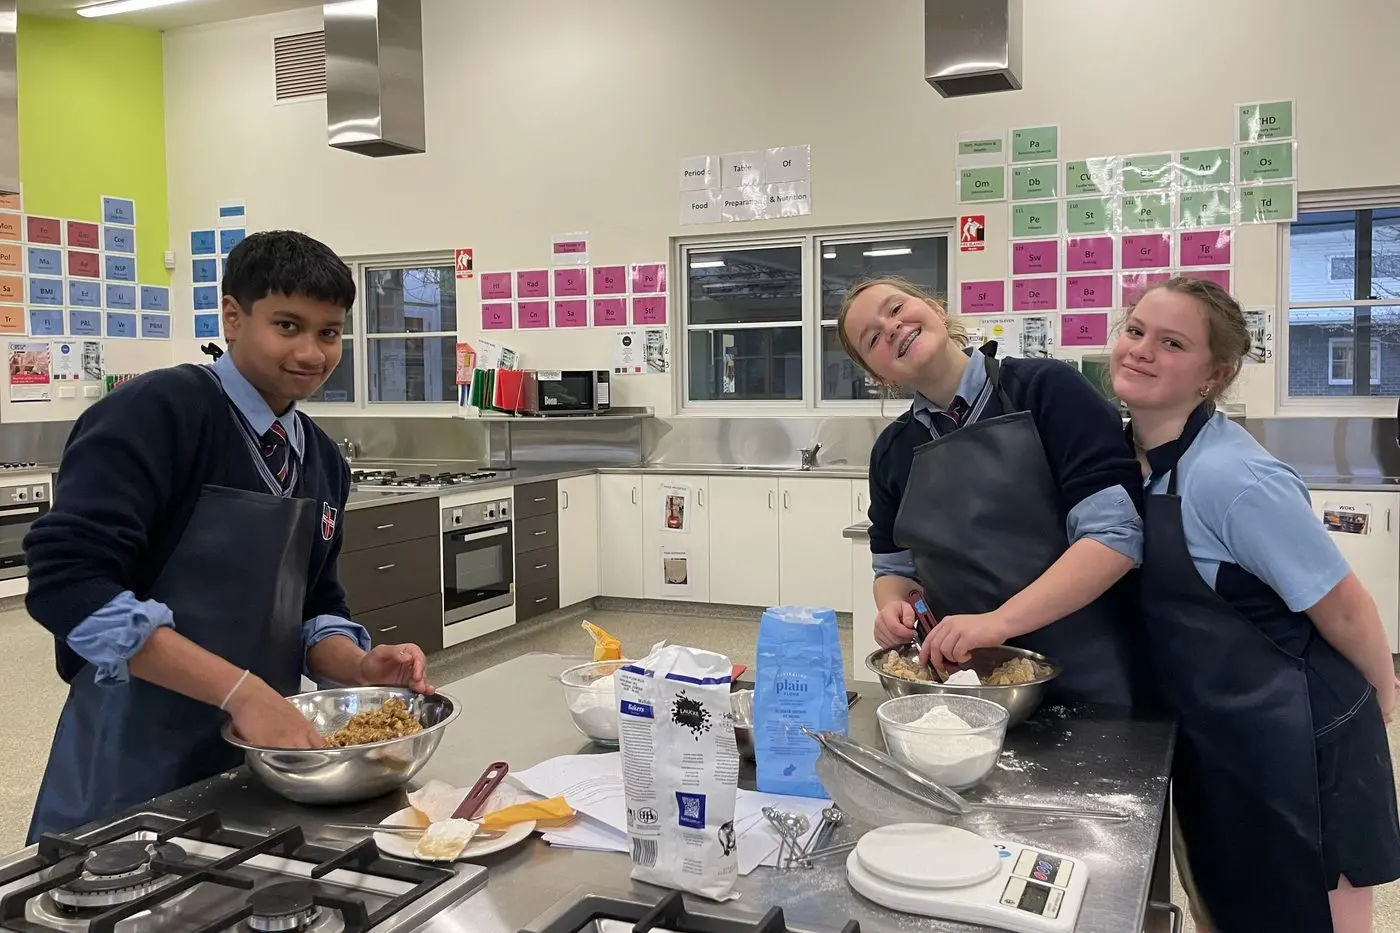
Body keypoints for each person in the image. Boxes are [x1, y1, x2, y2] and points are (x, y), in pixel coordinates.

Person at [23, 230, 433, 842]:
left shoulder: (320, 458)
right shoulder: (161, 412)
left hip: (262, 756)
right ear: (234, 317)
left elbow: (314, 605)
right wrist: (241, 691)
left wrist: (356, 665)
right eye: (288, 325)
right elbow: (66, 586)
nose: (312, 353)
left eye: (329, 332)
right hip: (132, 753)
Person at [1111, 276, 1400, 933]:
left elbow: (1347, 608)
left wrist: (1383, 695)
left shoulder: (1234, 478)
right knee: (1226, 906)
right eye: (1136, 330)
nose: (1142, 350)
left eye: (1172, 342)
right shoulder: (1133, 461)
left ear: (1214, 373)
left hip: (1304, 741)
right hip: (1220, 741)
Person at [838, 277, 1149, 705]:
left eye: (895, 309)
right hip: (963, 679)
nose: (890, 328)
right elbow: (894, 566)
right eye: (873, 338)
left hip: (1086, 676)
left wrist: (999, 622)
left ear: (935, 308)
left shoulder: (1047, 389)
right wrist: (894, 606)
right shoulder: (892, 451)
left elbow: (1114, 537)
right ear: (879, 373)